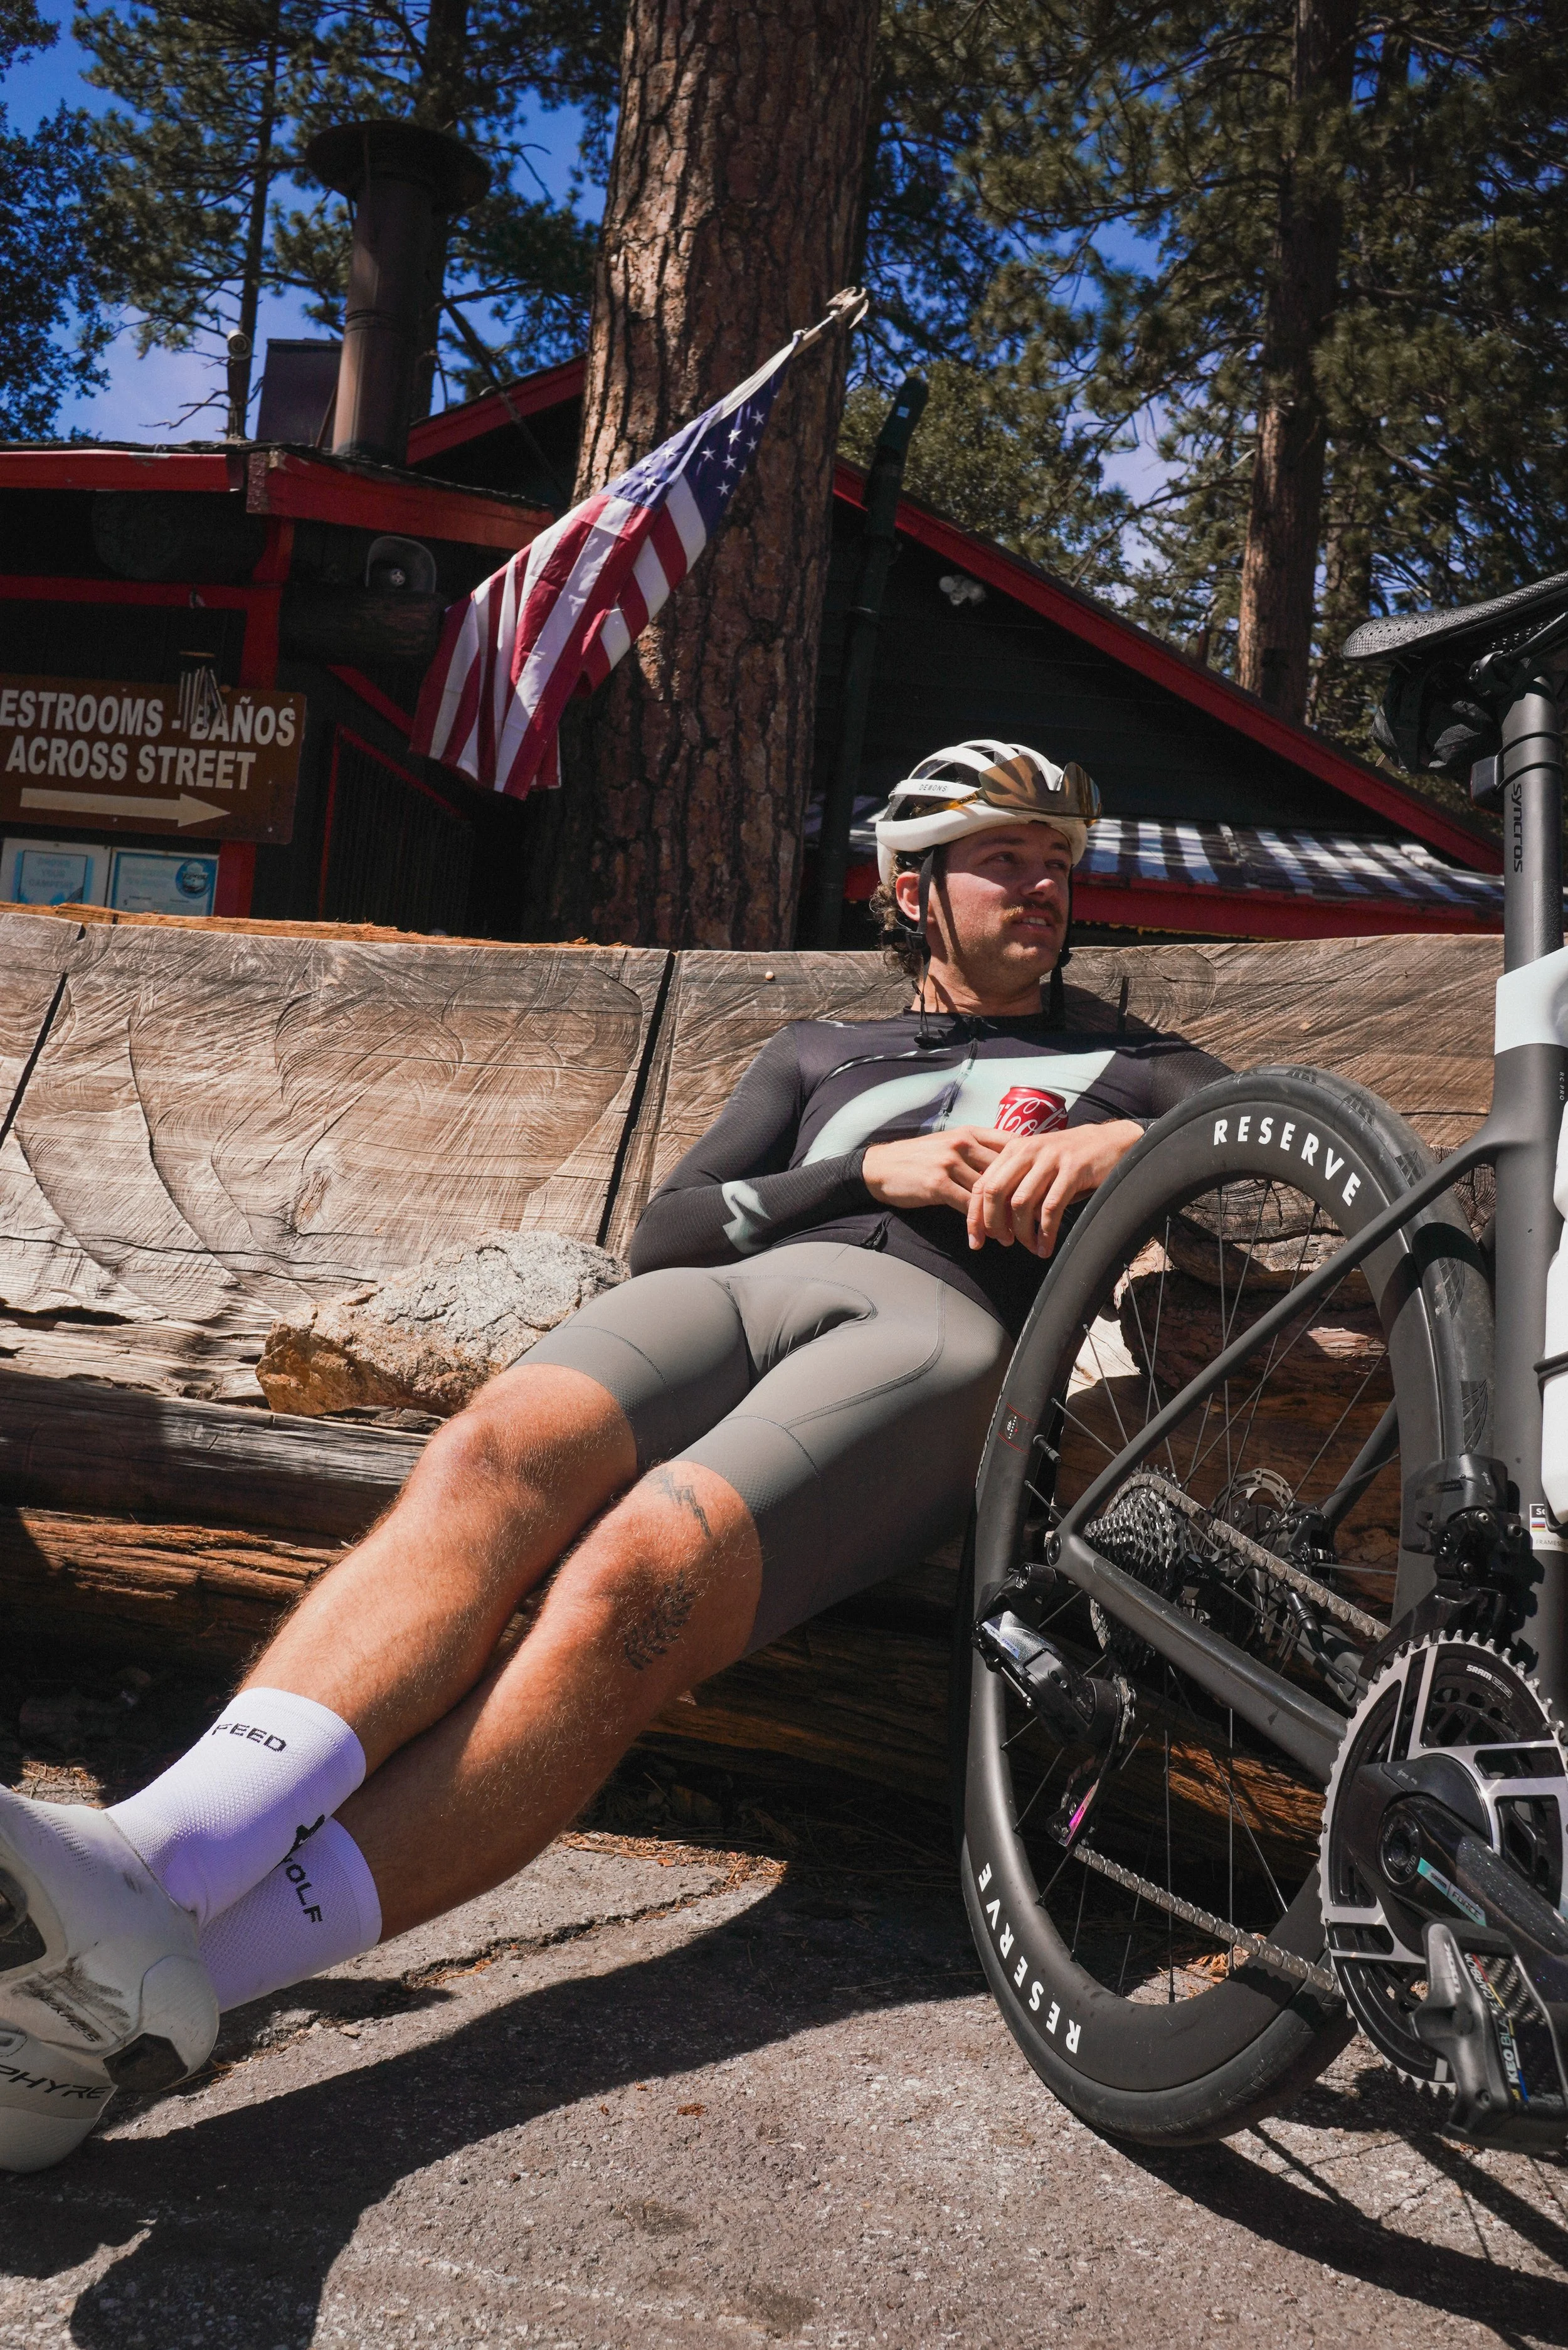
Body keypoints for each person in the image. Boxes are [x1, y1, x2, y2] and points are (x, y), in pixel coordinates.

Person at [0, 739, 1226, 2172]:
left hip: (937, 1335)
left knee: (639, 1573)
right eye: (1004, 856)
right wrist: (859, 1171)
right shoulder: (821, 1057)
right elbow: (671, 1231)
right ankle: (147, 1871)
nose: (1043, 886)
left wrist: (1134, 1149)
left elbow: (1273, 1164)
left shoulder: (1137, 1064)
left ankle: (160, 1989)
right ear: (910, 887)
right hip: (720, 1298)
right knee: (489, 1453)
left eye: (1059, 862)